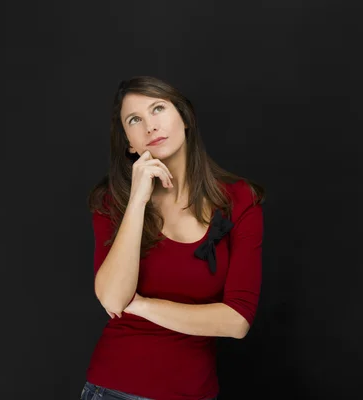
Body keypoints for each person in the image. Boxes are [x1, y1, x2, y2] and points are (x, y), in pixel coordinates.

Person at [80, 76, 265, 400]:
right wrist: (138, 200)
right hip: (116, 389)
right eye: (134, 120)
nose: (150, 126)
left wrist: (140, 305)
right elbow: (111, 298)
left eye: (158, 109)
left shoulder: (239, 200)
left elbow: (236, 320)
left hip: (196, 392)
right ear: (129, 143)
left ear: (185, 118)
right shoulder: (111, 201)